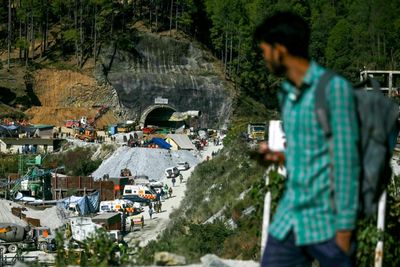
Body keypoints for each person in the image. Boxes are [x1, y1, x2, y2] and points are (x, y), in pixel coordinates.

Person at [254, 11, 360, 267]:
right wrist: (279, 157)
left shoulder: (333, 89)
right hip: (291, 216)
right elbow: (309, 153)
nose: (264, 58)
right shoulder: (288, 94)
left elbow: (347, 163)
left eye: (265, 50)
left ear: (280, 50)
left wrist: (345, 229)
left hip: (328, 223)